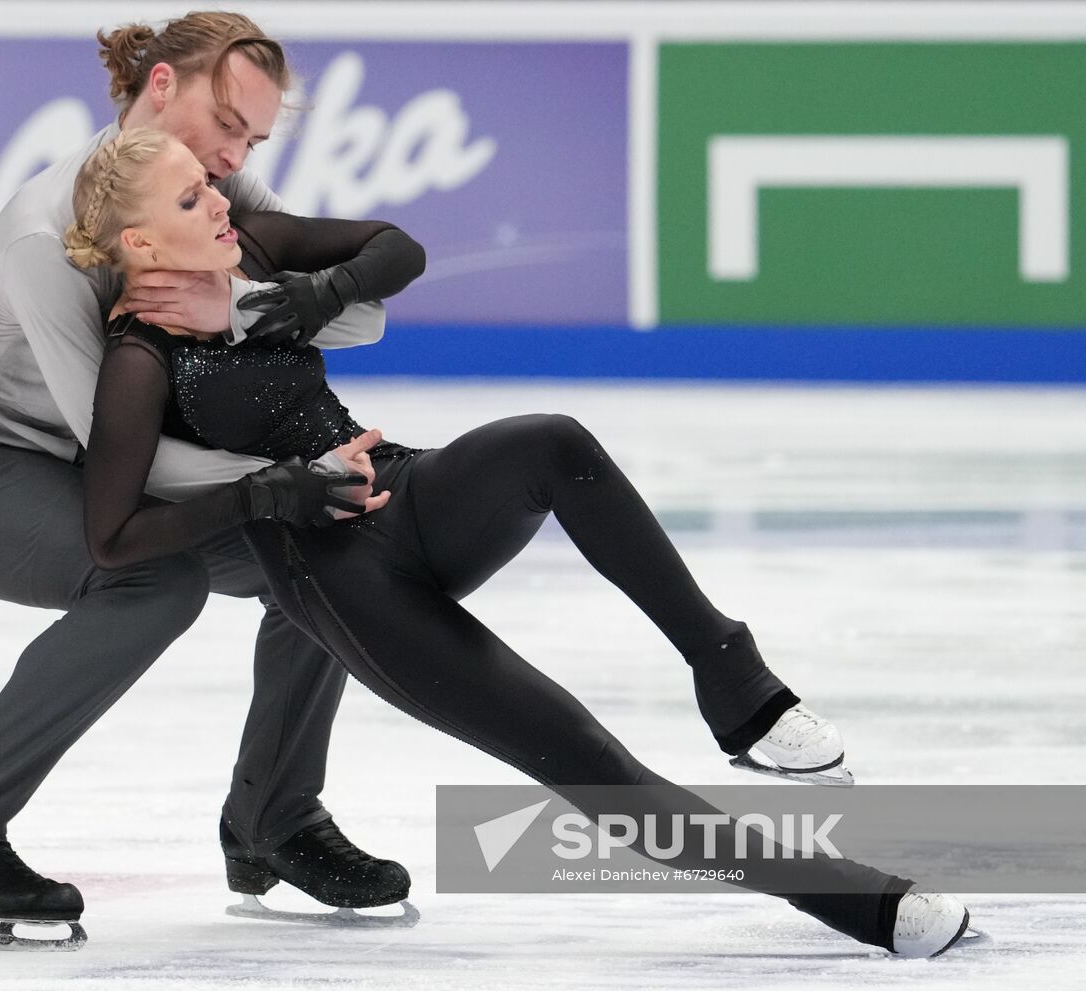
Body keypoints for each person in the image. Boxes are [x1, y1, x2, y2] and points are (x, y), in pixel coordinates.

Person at [65, 128, 975, 959]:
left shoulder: (252, 251)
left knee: (553, 442)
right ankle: (855, 900)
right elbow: (113, 538)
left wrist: (322, 290)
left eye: (208, 183)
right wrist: (270, 493)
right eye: (191, 200)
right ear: (138, 246)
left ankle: (732, 676)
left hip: (405, 487)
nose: (221, 200)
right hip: (337, 577)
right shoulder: (141, 362)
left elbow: (397, 246)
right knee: (590, 756)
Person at [0, 13, 416, 948]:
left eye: (251, 138)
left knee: (322, 544)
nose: (235, 155)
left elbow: (351, 320)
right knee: (151, 579)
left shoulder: (214, 185)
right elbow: (120, 458)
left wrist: (300, 309)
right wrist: (280, 478)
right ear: (160, 88)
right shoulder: (42, 238)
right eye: (226, 124)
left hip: (89, 457)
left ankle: (273, 821)